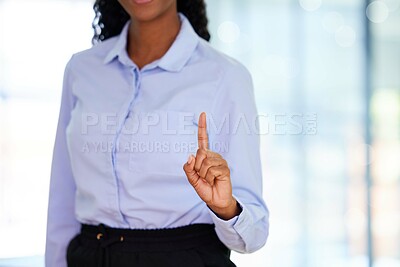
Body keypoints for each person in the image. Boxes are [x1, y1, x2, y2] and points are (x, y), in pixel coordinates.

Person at [45, 0, 269, 266]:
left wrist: (225, 208)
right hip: (90, 256)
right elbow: (62, 196)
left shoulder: (225, 76)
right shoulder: (82, 69)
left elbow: (254, 234)